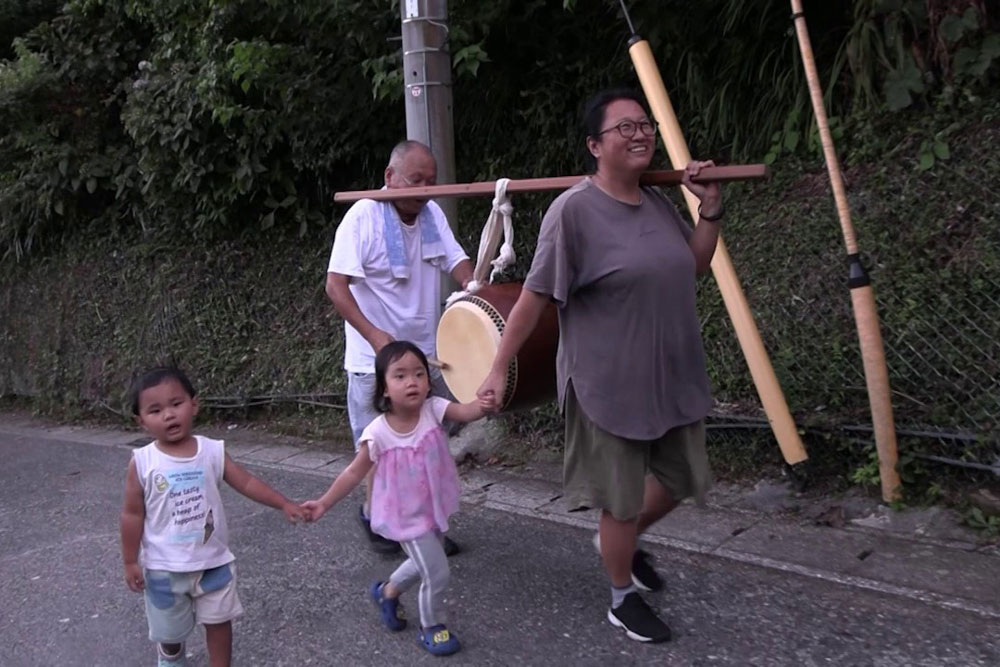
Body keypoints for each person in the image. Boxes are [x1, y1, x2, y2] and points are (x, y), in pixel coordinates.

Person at [477, 88, 723, 644]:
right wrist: (498, 367)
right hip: (606, 382)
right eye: (625, 128)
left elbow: (695, 264)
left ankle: (622, 541)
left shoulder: (656, 201)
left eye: (646, 125)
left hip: (669, 372)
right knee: (621, 498)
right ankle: (620, 597)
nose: (641, 134)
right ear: (595, 145)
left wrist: (710, 208)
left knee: (683, 478)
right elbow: (535, 297)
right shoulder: (574, 212)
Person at [326, 140, 473, 556]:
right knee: (377, 450)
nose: (424, 189)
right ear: (390, 178)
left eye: (431, 181)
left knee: (425, 444)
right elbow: (335, 286)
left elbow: (457, 260)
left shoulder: (432, 215)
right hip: (372, 361)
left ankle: (422, 528)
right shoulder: (363, 215)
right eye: (415, 180)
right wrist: (375, 338)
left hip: (424, 359)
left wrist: (475, 286)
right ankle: (376, 517)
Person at [302, 341, 489, 656]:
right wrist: (323, 503)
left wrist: (487, 401)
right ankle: (432, 626)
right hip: (406, 516)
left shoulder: (434, 409)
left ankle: (387, 593)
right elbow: (352, 473)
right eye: (400, 376)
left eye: (419, 373)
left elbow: (468, 410)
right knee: (437, 571)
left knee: (421, 564)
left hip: (433, 506)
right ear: (384, 388)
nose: (412, 381)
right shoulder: (379, 433)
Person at [120, 367, 307, 667]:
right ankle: (171, 654)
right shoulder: (142, 463)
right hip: (164, 568)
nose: (168, 415)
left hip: (214, 562)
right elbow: (132, 514)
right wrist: (130, 560)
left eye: (176, 404)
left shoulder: (211, 451)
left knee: (220, 623)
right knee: (170, 630)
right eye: (156, 410)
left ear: (194, 404)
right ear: (141, 421)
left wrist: (284, 503)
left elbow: (246, 482)